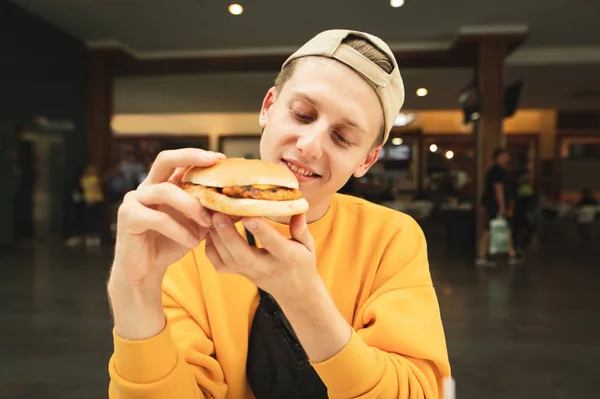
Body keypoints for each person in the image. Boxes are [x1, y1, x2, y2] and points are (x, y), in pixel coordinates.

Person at [106, 29, 451, 399]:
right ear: (268, 107)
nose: (310, 146)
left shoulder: (390, 238)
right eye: (302, 115)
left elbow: (421, 391)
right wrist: (133, 292)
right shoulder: (184, 231)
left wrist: (304, 301)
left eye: (343, 137)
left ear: (366, 159)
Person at [477, 149, 522, 266]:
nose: (507, 158)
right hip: (495, 204)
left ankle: (511, 252)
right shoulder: (497, 171)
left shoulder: (495, 171)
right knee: (491, 227)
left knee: (497, 227)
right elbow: (499, 189)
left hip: (493, 204)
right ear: (498, 157)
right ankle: (482, 253)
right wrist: (502, 206)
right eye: (504, 156)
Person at [80, 164, 104, 249]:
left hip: (89, 199)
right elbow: (94, 189)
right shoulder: (94, 179)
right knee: (93, 218)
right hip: (94, 199)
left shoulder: (84, 179)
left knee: (91, 218)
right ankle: (94, 236)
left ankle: (91, 236)